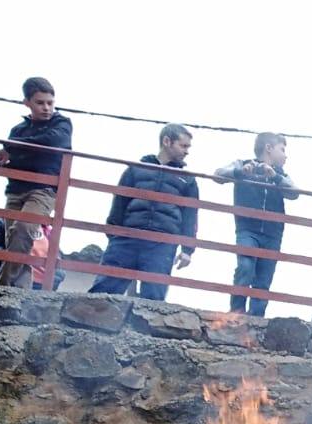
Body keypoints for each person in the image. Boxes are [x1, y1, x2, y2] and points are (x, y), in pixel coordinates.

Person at [88, 124, 197, 300]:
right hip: (127, 237)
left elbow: (190, 215)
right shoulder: (135, 169)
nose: (187, 151)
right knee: (102, 292)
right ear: (167, 141)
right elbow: (119, 203)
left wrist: (188, 249)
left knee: (154, 300)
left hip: (162, 243)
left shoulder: (188, 179)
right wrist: (114, 234)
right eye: (183, 146)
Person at [0, 77, 71, 289]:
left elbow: (53, 142)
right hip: (16, 190)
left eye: (50, 103)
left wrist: (13, 147)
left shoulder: (62, 124)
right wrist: (10, 157)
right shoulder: (18, 131)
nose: (46, 108)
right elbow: (15, 160)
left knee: (23, 229)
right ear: (27, 103)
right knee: (15, 242)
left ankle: (2, 286)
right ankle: (19, 296)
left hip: (43, 191)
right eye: (40, 102)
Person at [216, 133, 298, 317]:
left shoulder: (280, 174)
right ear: (268, 148)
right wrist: (241, 172)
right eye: (282, 149)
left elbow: (295, 193)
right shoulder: (242, 163)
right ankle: (236, 313)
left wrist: (275, 177)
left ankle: (256, 321)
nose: (286, 155)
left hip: (273, 233)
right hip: (247, 229)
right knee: (245, 266)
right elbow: (218, 174)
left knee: (264, 278)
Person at [0, 220, 64, 290]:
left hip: (40, 288)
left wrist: (57, 275)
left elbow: (58, 257)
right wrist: (14, 258)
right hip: (13, 282)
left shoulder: (47, 230)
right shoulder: (5, 222)